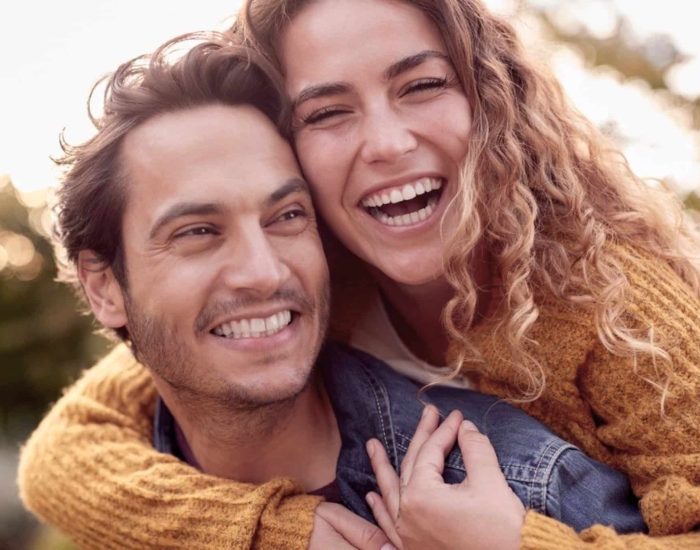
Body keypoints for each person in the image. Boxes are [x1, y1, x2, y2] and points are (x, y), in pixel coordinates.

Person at [18, 0, 700, 547]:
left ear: (490, 101)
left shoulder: (613, 302)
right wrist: (277, 528)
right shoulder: (312, 274)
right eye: (328, 112)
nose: (387, 143)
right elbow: (65, 455)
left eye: (422, 85)